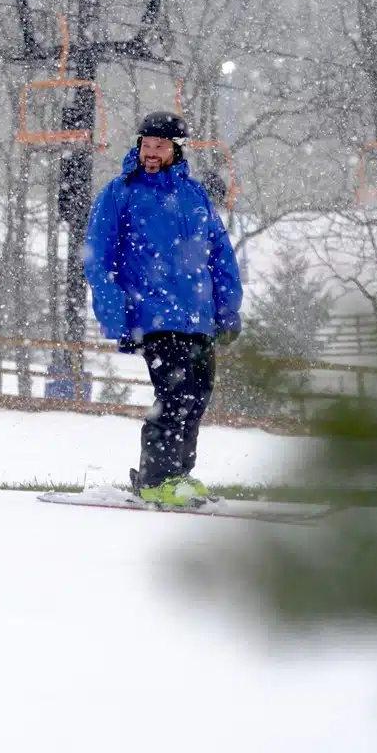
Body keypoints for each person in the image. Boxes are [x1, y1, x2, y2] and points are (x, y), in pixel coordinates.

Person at [84, 110, 243, 507]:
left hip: (198, 318)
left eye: (160, 145)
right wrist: (115, 315)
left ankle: (179, 475)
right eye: (146, 145)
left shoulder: (194, 195)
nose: (151, 152)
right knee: (174, 395)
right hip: (153, 313)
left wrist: (227, 310)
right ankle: (156, 479)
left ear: (177, 149)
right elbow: (98, 258)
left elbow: (220, 254)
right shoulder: (121, 192)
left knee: (198, 394)